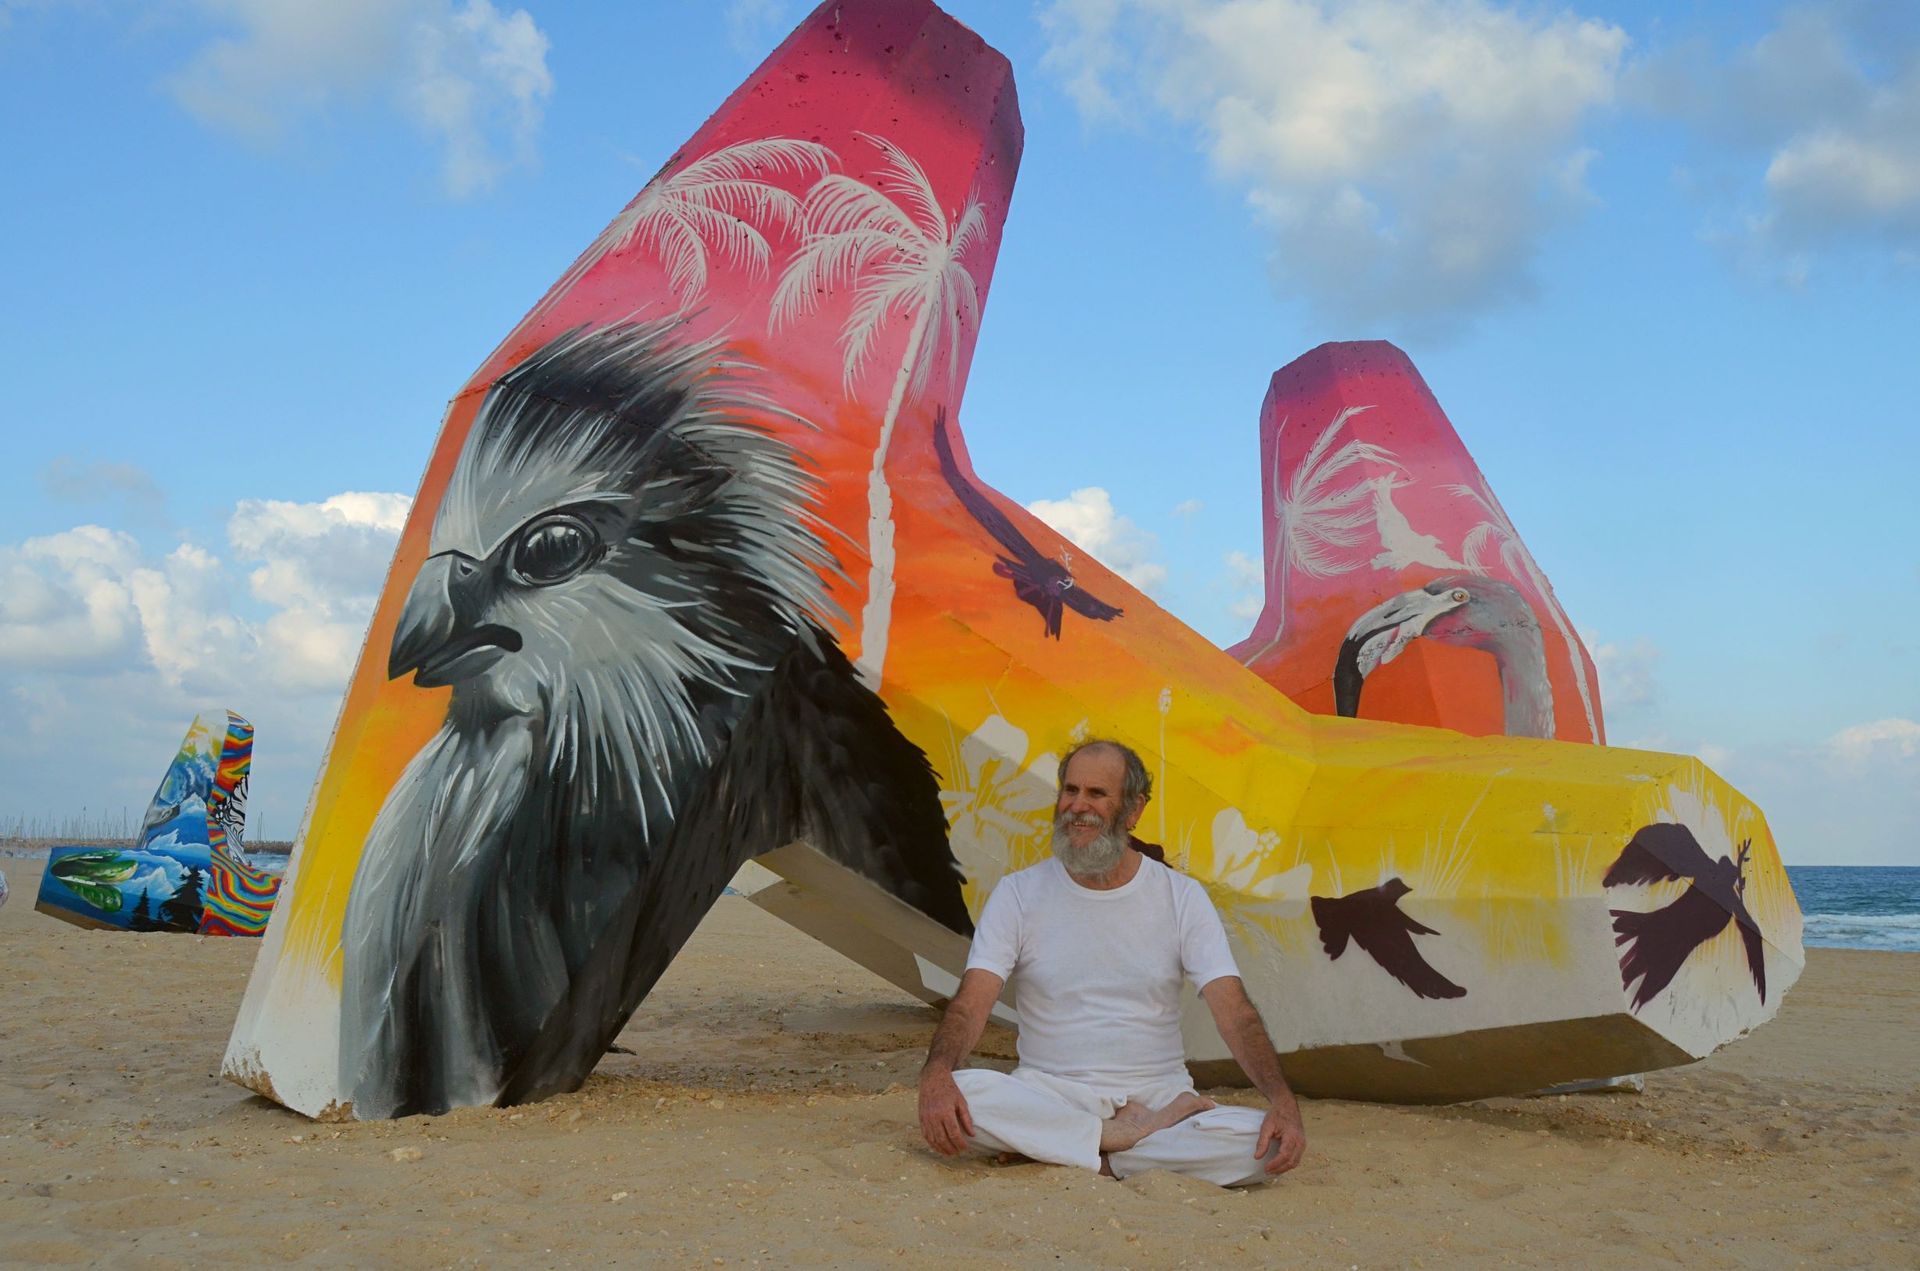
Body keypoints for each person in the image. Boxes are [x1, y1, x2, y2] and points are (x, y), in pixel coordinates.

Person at [917, 739, 1307, 1185]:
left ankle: (1080, 1152)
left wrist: (1282, 1100)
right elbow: (972, 1003)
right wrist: (937, 1072)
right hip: (1051, 1092)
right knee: (967, 1092)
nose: (1077, 806)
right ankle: (1116, 1141)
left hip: (1158, 1098)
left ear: (1134, 809)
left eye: (1096, 794)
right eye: (1070, 790)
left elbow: (1234, 1012)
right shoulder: (1018, 894)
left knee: (1261, 1142)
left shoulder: (1180, 896)